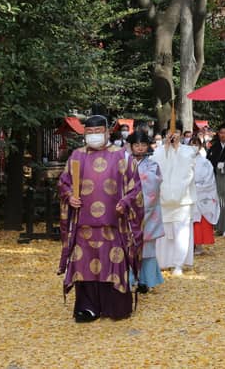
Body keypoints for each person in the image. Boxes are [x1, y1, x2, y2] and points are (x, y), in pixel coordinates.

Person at [57, 115, 144, 322]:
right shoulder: (76, 156)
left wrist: (125, 202)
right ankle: (87, 308)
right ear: (84, 133)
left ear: (107, 132)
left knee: (113, 262)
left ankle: (115, 307)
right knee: (83, 265)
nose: (94, 136)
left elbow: (136, 187)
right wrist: (69, 196)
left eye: (98, 132)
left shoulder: (122, 156)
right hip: (83, 225)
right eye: (90, 132)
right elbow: (64, 182)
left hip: (113, 224)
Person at [153, 126, 197, 276]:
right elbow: (156, 167)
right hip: (163, 198)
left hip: (183, 199)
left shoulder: (188, 150)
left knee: (181, 231)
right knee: (164, 232)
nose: (173, 136)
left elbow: (189, 167)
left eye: (176, 133)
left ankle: (178, 263)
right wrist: (166, 148)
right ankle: (163, 261)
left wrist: (177, 147)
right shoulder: (159, 151)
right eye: (170, 133)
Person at [128, 131, 164, 293]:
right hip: (127, 211)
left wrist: (133, 178)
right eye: (136, 145)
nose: (140, 148)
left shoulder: (152, 165)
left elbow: (154, 183)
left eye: (143, 145)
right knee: (127, 246)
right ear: (131, 146)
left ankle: (145, 280)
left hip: (148, 212)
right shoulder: (123, 163)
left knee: (147, 248)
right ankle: (128, 279)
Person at [191, 137, 220, 255]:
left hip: (202, 193)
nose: (194, 147)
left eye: (196, 144)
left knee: (200, 220)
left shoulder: (205, 162)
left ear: (200, 146)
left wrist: (198, 187)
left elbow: (210, 180)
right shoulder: (184, 161)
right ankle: (190, 245)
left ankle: (199, 245)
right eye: (191, 144)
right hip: (188, 193)